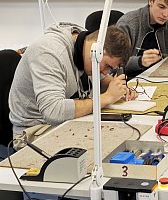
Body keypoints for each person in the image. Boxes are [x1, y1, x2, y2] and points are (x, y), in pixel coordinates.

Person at [8, 23, 136, 137]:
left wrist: (117, 88)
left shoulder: (85, 44)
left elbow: (102, 80)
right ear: (96, 50)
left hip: (64, 123)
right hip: (34, 129)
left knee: (123, 134)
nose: (105, 72)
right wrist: (106, 98)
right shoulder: (50, 52)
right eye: (107, 65)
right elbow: (53, 111)